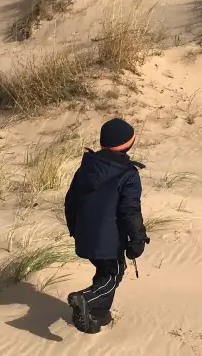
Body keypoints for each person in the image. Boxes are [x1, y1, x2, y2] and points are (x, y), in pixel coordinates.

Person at [64, 118, 150, 334]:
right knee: (114, 273)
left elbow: (70, 200)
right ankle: (85, 298)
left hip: (85, 234)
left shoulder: (87, 165)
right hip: (109, 239)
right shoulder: (128, 173)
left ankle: (98, 314)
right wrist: (137, 240)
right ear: (128, 144)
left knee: (104, 271)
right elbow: (130, 211)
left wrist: (74, 229)